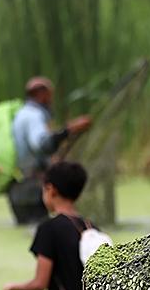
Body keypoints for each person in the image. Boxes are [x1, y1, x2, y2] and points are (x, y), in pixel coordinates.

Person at [2, 162, 96, 290]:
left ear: (50, 189)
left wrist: (12, 287)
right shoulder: (90, 228)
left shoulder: (49, 229)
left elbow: (40, 282)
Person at [8, 76, 92, 224]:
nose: (51, 99)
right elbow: (42, 144)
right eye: (49, 94)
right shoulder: (34, 116)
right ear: (41, 94)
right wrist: (69, 129)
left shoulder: (20, 114)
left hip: (18, 190)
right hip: (33, 191)